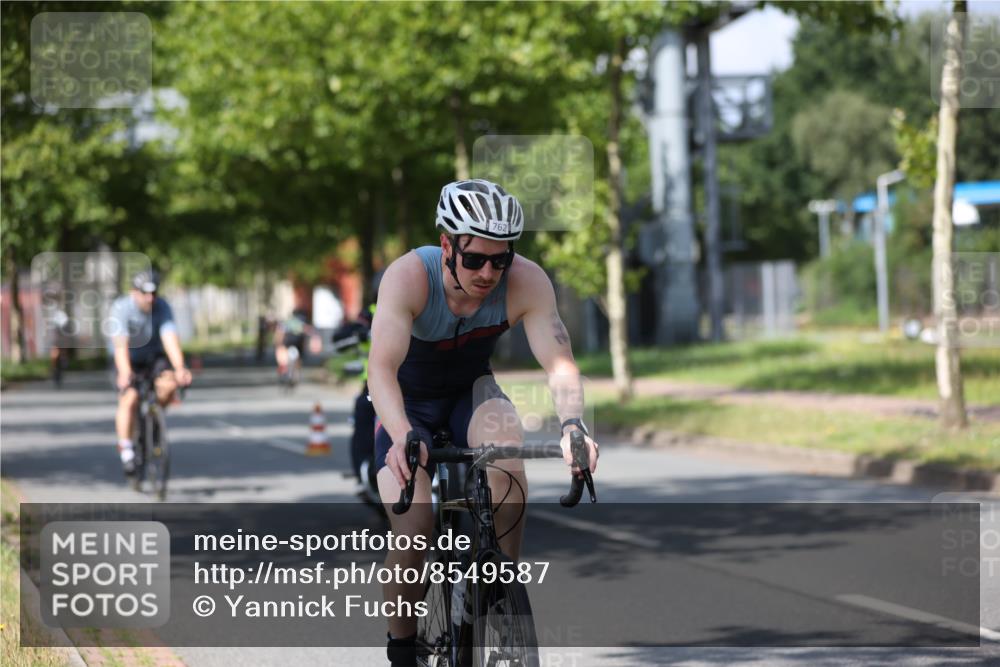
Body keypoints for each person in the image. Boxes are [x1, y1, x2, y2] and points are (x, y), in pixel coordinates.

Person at [367, 179, 600, 666]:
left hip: (470, 393)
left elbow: (559, 364)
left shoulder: (527, 281)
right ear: (448, 245)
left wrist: (573, 425)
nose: (489, 272)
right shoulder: (409, 276)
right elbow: (381, 369)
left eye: (501, 259)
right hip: (404, 405)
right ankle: (402, 648)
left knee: (506, 450)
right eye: (475, 259)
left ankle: (497, 582)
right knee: (415, 530)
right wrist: (401, 434)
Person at [107, 270, 192, 477]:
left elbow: (170, 337)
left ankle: (154, 419)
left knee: (169, 384)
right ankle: (126, 450)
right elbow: (120, 345)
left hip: (154, 357)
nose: (150, 298)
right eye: (145, 293)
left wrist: (180, 368)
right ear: (133, 292)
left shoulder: (162, 307)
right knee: (130, 398)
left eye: (154, 293)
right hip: (128, 358)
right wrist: (126, 373)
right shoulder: (121, 308)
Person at [273, 307, 322, 378]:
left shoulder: (286, 322)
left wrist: (277, 342)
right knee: (298, 357)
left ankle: (283, 366)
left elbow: (280, 333)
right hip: (298, 342)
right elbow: (311, 332)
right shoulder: (302, 322)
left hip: (288, 342)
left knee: (281, 350)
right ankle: (296, 373)